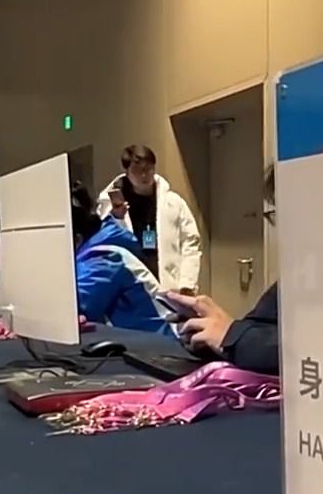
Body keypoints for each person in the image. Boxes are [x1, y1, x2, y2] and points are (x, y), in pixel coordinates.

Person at [166, 165, 280, 375]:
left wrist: (232, 337)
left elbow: (305, 348)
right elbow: (259, 326)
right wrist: (212, 330)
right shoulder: (296, 279)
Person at [95, 145, 201, 294]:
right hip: (130, 289)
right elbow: (101, 246)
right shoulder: (109, 206)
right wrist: (115, 218)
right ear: (126, 171)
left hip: (169, 287)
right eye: (138, 170)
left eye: (149, 169)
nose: (144, 175)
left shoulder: (173, 203)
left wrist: (187, 284)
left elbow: (190, 242)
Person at [74, 200, 173, 335]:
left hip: (159, 341)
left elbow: (75, 307)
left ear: (77, 240)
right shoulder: (101, 252)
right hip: (146, 339)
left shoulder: (104, 258)